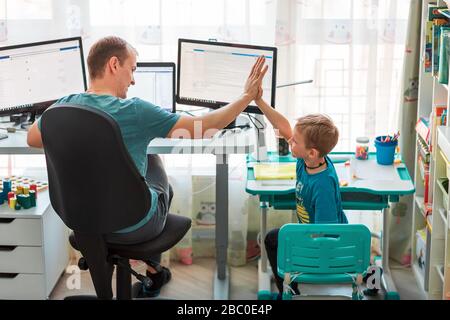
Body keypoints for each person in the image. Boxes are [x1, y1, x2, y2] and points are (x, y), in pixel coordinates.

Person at [27, 36, 268, 297]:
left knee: (148, 161)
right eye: (132, 69)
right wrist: (246, 97)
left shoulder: (62, 106)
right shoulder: (136, 111)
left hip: (81, 221)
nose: (133, 80)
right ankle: (153, 269)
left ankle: (151, 270)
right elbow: (204, 127)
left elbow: (32, 138)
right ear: (114, 65)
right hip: (132, 224)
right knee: (158, 170)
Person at [254, 89, 348, 299]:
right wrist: (259, 100)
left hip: (323, 245)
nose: (290, 141)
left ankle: (289, 292)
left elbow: (326, 233)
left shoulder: (322, 186)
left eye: (295, 141)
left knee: (273, 238)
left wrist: (300, 245)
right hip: (312, 233)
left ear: (312, 152)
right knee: (282, 236)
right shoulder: (306, 159)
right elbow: (283, 127)